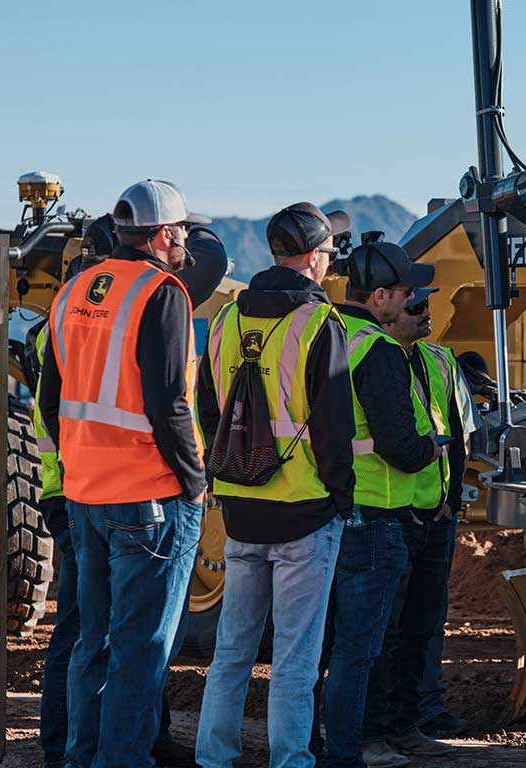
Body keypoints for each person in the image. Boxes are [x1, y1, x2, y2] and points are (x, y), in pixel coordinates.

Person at [38, 180, 208, 768]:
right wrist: (195, 481)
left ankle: (79, 759)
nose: (185, 239)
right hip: (150, 498)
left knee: (94, 645)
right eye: (182, 230)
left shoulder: (71, 292)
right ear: (163, 235)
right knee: (141, 652)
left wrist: (82, 463)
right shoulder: (163, 292)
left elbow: (49, 400)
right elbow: (169, 403)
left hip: (87, 496)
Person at [193, 202, 356, 767]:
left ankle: (214, 757)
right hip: (305, 512)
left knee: (232, 651)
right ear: (313, 258)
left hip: (240, 510)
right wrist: (343, 497)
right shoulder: (318, 323)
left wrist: (227, 478)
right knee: (294, 658)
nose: (332, 264)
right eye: (331, 254)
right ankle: (291, 760)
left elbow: (209, 411)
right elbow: (334, 427)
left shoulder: (225, 321)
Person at [322, 238, 441, 768]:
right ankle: (352, 748)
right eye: (404, 291)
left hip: (321, 509)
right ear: (379, 298)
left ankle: (313, 742)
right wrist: (429, 450)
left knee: (321, 646)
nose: (412, 298)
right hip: (375, 509)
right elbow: (398, 445)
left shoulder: (322, 333)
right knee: (361, 648)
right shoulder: (379, 349)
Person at [362, 286, 480, 760]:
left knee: (423, 625)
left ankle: (409, 721)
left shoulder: (440, 361)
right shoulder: (375, 357)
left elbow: (458, 436)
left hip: (436, 515)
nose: (427, 313)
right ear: (386, 309)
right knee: (384, 631)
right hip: (392, 513)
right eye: (416, 306)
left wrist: (450, 500)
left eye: (428, 304)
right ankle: (376, 728)